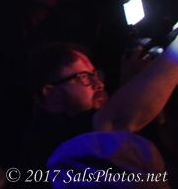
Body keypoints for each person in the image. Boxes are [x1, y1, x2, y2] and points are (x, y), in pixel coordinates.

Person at [19, 38, 178, 172]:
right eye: (84, 77)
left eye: (95, 74)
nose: (99, 84)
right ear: (52, 94)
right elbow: (115, 122)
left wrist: (132, 81)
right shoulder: (50, 138)